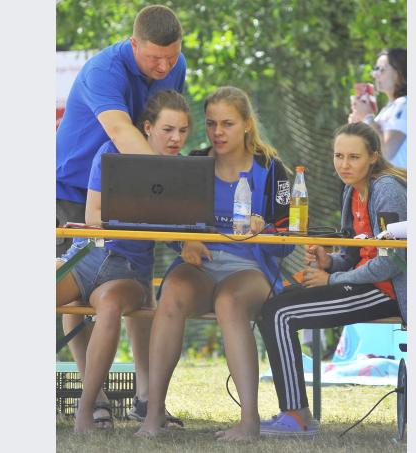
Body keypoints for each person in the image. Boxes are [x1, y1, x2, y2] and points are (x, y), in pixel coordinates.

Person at [136, 86, 293, 441]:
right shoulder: (194, 163)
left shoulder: (273, 169)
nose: (218, 132)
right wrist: (184, 241)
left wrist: (265, 230)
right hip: (201, 267)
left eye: (227, 124)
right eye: (211, 124)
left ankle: (249, 421)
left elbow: (288, 242)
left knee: (228, 301)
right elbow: (168, 221)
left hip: (250, 269)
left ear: (247, 124)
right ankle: (153, 413)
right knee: (173, 293)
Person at [257, 121, 407, 437]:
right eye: (339, 156)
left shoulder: (386, 190)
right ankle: (295, 414)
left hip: (388, 290)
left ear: (374, 157)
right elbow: (353, 255)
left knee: (280, 313)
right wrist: (329, 261)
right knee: (272, 305)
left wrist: (332, 278)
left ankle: (296, 418)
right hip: (365, 283)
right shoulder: (351, 191)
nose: (344, 165)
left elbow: (392, 262)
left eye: (354, 157)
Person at [56, 90, 192, 433]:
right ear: (147, 128)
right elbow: (92, 216)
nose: (176, 139)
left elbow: (180, 235)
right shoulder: (111, 151)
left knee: (110, 305)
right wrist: (153, 219)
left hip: (127, 272)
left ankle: (86, 411)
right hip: (85, 257)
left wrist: (182, 237)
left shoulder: (183, 173)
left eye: (183, 131)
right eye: (168, 130)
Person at [56, 4, 186, 256]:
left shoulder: (177, 65)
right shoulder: (103, 70)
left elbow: (163, 127)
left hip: (124, 191)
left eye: (171, 57)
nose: (164, 67)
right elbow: (120, 131)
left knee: (127, 270)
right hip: (71, 192)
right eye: (154, 58)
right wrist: (167, 182)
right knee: (72, 274)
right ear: (134, 44)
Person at [349, 48, 407, 169]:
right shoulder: (388, 109)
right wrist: (358, 125)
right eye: (376, 69)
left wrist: (368, 117)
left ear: (399, 73)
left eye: (381, 69)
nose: (375, 74)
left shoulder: (405, 105)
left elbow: (387, 152)